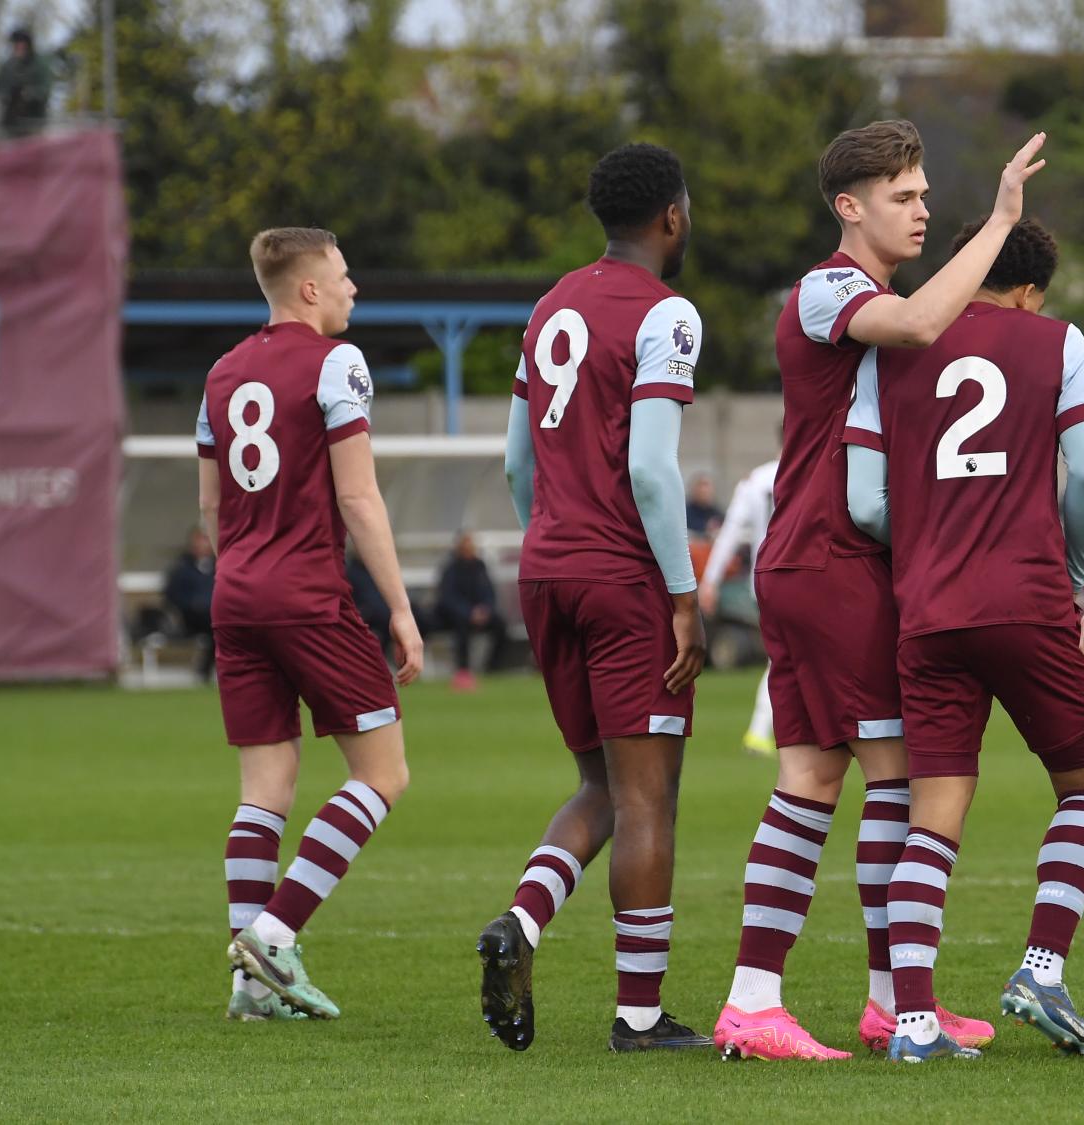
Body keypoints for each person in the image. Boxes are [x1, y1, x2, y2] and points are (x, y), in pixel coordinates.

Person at [713, 119, 1046, 1062]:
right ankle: (872, 1002)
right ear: (849, 208)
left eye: (925, 192)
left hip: (827, 562)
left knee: (817, 776)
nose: (922, 208)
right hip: (831, 562)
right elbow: (917, 324)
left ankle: (831, 1001)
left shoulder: (872, 293)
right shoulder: (831, 287)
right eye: (904, 195)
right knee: (895, 780)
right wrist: (1000, 222)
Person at [843, 218, 1084, 1062]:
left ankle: (914, 1022)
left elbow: (864, 503)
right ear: (1032, 290)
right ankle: (1040, 965)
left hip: (927, 610)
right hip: (1029, 601)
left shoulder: (889, 343)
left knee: (935, 819)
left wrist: (927, 540)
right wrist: (1073, 566)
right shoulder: (1056, 340)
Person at [475, 143, 711, 1054]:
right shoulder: (668, 315)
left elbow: (514, 460)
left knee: (600, 783)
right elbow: (652, 468)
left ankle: (521, 926)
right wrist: (683, 595)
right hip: (622, 578)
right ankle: (642, 1018)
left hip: (548, 569)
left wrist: (554, 541)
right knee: (651, 795)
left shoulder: (549, 306)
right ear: (673, 218)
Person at [203, 227, 422, 1021]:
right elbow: (358, 498)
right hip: (307, 595)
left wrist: (241, 570)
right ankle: (275, 931)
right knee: (383, 773)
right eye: (342, 274)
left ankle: (251, 988)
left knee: (264, 792)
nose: (352, 287)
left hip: (236, 594)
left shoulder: (222, 373)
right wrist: (400, 607)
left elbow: (210, 506)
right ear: (307, 290)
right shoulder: (338, 362)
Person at [699, 456, 780, 755]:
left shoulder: (756, 479)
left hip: (763, 579)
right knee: (786, 658)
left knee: (785, 657)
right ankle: (760, 731)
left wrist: (710, 580)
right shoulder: (817, 466)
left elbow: (731, 531)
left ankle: (768, 730)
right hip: (806, 577)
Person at [433, 531, 508, 691]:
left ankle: (492, 668)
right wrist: (468, 612)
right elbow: (448, 598)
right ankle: (463, 670)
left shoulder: (480, 566)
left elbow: (489, 592)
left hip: (479, 614)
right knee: (462, 628)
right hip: (457, 616)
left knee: (501, 625)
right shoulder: (451, 569)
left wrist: (485, 609)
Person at [163, 527, 216, 679]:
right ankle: (205, 671)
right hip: (191, 619)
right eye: (200, 539)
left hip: (215, 616)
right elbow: (171, 596)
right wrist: (193, 605)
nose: (203, 544)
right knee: (216, 626)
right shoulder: (182, 569)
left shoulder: (220, 566)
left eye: (206, 539)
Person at [0, 29, 52, 140]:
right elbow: (0, 89)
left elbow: (45, 89)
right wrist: (7, 95)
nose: (18, 47)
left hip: (33, 120)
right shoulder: (8, 66)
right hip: (10, 121)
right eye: (16, 44)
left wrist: (28, 94)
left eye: (21, 44)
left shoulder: (39, 64)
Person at [685, 471, 723, 539]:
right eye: (700, 485)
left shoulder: (718, 513)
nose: (704, 490)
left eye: (707, 485)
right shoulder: (684, 513)